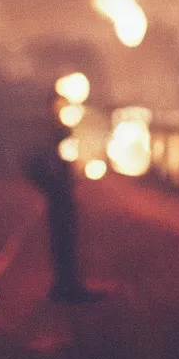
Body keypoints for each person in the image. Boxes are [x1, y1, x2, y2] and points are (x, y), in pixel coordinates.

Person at [23, 93, 102, 304]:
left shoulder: (51, 131)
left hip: (61, 191)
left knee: (64, 240)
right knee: (63, 240)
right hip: (59, 193)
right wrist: (54, 184)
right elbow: (45, 162)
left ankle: (65, 284)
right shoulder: (53, 132)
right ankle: (66, 287)